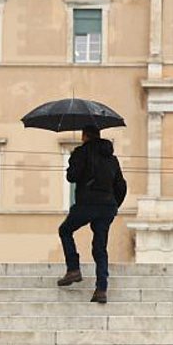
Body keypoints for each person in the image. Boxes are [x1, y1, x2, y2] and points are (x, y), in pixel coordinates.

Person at [57, 126, 127, 303]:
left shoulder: (81, 152)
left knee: (65, 230)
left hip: (87, 203)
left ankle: (73, 269)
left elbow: (72, 177)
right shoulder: (112, 159)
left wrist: (73, 160)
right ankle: (101, 289)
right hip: (107, 207)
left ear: (84, 136)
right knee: (100, 246)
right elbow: (121, 186)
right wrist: (113, 205)